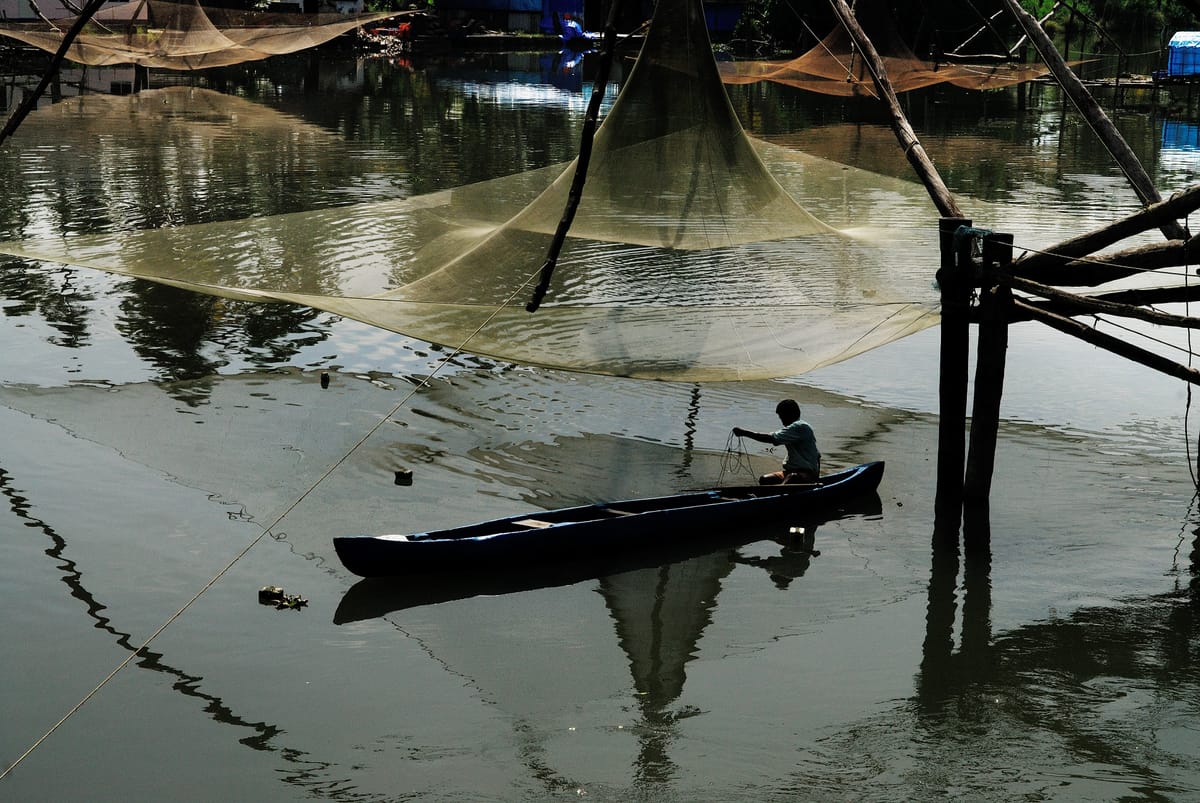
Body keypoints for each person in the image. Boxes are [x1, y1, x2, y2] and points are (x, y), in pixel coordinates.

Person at [732, 399, 821, 485]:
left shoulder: (800, 426)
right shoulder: (793, 429)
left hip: (807, 474)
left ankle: (776, 494)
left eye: (782, 417)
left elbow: (772, 438)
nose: (782, 421)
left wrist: (744, 433)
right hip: (791, 471)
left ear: (790, 414)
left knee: (792, 477)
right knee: (765, 479)